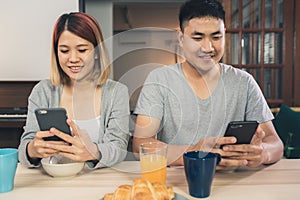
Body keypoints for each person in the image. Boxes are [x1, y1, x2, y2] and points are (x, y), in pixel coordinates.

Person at [132, 0, 283, 170]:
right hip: (179, 180)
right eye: (197, 38)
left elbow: (275, 143)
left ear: (224, 35)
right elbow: (140, 145)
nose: (208, 47)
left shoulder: (244, 82)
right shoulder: (160, 80)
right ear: (181, 39)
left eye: (216, 37)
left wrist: (263, 152)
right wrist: (193, 153)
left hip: (233, 179)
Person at [18, 12, 130, 169]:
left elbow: (119, 147)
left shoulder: (116, 92)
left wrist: (93, 152)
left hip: (98, 181)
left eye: (82, 50)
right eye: (64, 51)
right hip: (52, 181)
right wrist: (32, 150)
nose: (73, 59)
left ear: (97, 52)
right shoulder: (43, 91)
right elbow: (24, 148)